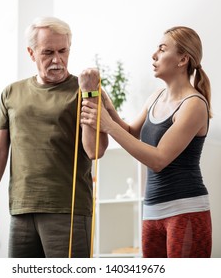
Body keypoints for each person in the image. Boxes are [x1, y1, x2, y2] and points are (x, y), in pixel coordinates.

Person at [0, 16, 108, 258]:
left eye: (63, 51)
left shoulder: (86, 89)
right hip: (21, 210)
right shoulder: (11, 93)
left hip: (68, 210)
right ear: (31, 52)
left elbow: (96, 151)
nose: (57, 60)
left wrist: (90, 93)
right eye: (48, 52)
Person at [80, 26, 212, 258]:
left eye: (162, 49)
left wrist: (108, 124)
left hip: (186, 211)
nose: (154, 55)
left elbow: (159, 159)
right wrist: (108, 106)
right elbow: (131, 133)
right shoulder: (155, 97)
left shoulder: (194, 104)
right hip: (151, 212)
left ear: (183, 59)